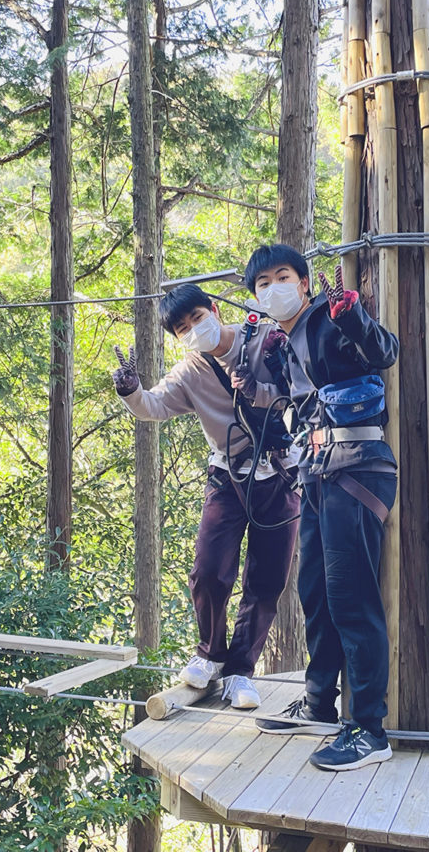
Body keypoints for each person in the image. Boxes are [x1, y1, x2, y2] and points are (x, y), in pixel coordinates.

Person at [242, 244, 398, 770]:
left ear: (304, 282)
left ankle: (370, 730)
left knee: (352, 598)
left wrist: (352, 315)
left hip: (356, 470)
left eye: (282, 276)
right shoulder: (286, 344)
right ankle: (318, 704)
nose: (273, 289)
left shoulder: (329, 320)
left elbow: (385, 351)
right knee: (316, 592)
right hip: (318, 475)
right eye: (263, 284)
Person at [111, 283, 300, 711]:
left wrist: (259, 387)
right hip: (227, 476)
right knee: (209, 570)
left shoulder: (264, 339)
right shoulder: (190, 372)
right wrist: (131, 390)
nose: (193, 330)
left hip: (280, 474)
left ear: (214, 309)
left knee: (267, 579)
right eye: (182, 328)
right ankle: (210, 653)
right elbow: (154, 406)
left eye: (196, 318)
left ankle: (240, 671)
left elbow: (297, 388)